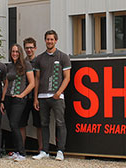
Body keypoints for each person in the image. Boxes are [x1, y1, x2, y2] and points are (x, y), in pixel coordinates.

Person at [31, 30, 71, 161]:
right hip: (42, 97)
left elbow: (67, 78)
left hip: (57, 97)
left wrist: (59, 92)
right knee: (44, 124)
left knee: (60, 123)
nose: (49, 41)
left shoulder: (63, 57)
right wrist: (36, 98)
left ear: (56, 40)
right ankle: (45, 151)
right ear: (45, 40)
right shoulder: (39, 59)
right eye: (47, 39)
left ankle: (60, 151)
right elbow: (37, 79)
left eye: (52, 39)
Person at [4, 43, 35, 162]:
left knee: (14, 124)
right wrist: (2, 100)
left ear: (20, 53)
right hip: (8, 98)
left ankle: (22, 152)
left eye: (17, 51)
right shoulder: (9, 66)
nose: (15, 53)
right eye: (13, 51)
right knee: (12, 125)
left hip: (19, 99)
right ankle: (16, 151)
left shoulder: (26, 64)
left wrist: (22, 95)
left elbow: (32, 83)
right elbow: (6, 84)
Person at [22, 37, 44, 153]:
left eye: (31, 47)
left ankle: (41, 148)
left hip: (37, 98)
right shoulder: (22, 62)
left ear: (35, 48)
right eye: (27, 48)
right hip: (24, 98)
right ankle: (21, 149)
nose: (29, 50)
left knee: (39, 124)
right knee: (21, 123)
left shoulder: (39, 61)